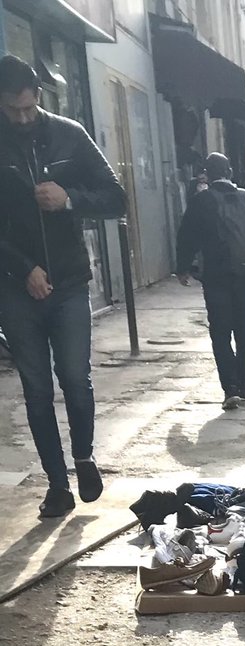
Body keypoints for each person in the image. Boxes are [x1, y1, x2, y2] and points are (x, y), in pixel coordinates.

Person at [0, 54, 126, 518]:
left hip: (70, 281)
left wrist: (70, 198)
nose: (22, 118)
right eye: (12, 110)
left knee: (74, 376)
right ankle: (56, 485)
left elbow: (115, 197)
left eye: (28, 108)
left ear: (39, 96)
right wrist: (23, 268)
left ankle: (84, 457)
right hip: (15, 287)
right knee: (36, 387)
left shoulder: (69, 134)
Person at [175, 152, 245, 411]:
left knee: (220, 332)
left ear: (207, 175)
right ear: (230, 172)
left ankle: (230, 388)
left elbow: (186, 237)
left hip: (216, 274)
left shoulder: (201, 202)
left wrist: (183, 268)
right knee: (244, 329)